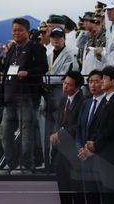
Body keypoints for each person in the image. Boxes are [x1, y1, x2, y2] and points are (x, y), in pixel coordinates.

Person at [0, 17, 48, 174]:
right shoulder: (12, 49)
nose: (17, 33)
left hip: (26, 97)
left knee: (27, 133)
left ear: (27, 32)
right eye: (14, 30)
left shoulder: (36, 47)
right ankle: (11, 163)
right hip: (9, 98)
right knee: (5, 133)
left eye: (20, 30)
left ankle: (26, 165)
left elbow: (43, 68)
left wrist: (28, 73)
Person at [81, 66, 114, 204]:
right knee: (105, 193)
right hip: (103, 153)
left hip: (110, 154)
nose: (101, 82)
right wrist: (91, 144)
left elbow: (112, 129)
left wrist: (96, 144)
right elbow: (100, 127)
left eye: (104, 79)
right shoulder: (107, 100)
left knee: (110, 194)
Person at [50, 70, 85, 204]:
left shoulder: (83, 101)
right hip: (60, 150)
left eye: (69, 85)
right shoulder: (64, 100)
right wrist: (55, 134)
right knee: (63, 187)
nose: (65, 87)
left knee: (76, 188)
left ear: (77, 87)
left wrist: (60, 134)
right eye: (64, 83)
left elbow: (79, 125)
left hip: (75, 151)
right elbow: (59, 122)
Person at [76, 70, 105, 204]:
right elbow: (79, 129)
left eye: (96, 81)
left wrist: (92, 150)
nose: (92, 85)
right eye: (90, 82)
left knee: (103, 195)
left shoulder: (108, 103)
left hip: (101, 157)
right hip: (85, 157)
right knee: (90, 194)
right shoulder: (86, 103)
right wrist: (81, 149)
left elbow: (105, 132)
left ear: (103, 82)